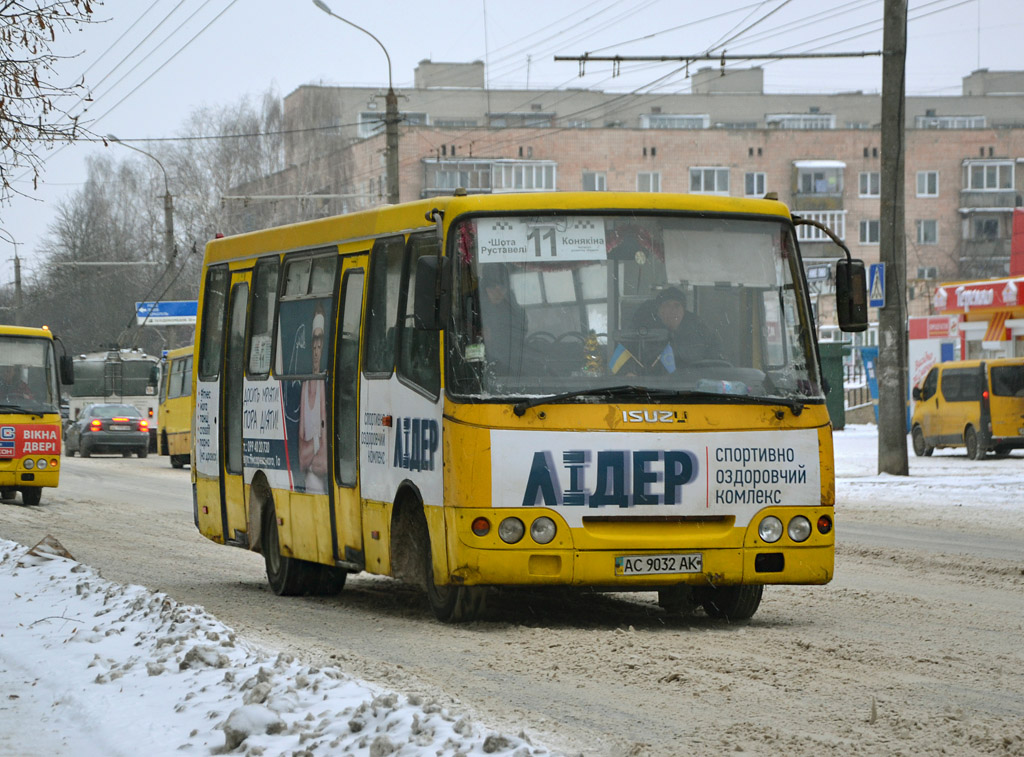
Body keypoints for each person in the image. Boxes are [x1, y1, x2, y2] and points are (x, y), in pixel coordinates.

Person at [634, 287, 723, 372]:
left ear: (684, 311)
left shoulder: (700, 333)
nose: (672, 310)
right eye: (667, 305)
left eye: (677, 305)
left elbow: (715, 362)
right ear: (658, 311)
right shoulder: (644, 332)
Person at [298, 304, 328, 494]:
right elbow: (301, 459)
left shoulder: (324, 385)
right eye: (314, 342)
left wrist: (312, 447)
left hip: (319, 482)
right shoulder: (304, 386)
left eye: (320, 343)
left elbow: (323, 462)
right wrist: (315, 444)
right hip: (308, 477)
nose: (316, 350)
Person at [478, 265, 527, 374]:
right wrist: (478, 334)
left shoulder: (514, 308)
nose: (498, 293)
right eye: (492, 288)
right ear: (485, 288)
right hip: (481, 365)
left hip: (511, 363)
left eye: (502, 288)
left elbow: (522, 330)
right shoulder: (473, 306)